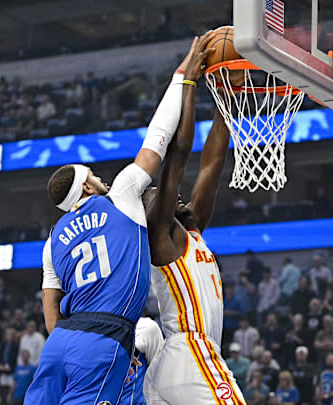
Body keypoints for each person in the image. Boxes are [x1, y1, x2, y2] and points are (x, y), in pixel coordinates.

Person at [27, 35, 215, 405]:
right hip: (103, 337)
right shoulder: (122, 197)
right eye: (94, 176)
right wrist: (183, 76)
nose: (102, 178)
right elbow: (159, 138)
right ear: (86, 187)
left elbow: (51, 312)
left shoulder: (53, 240)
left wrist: (67, 351)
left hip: (61, 342)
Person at [141, 32, 245, 405]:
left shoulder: (191, 227)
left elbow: (212, 164)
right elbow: (179, 154)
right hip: (191, 351)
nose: (176, 196)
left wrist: (225, 99)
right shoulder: (160, 234)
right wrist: (188, 83)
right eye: (161, 196)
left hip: (175, 362)